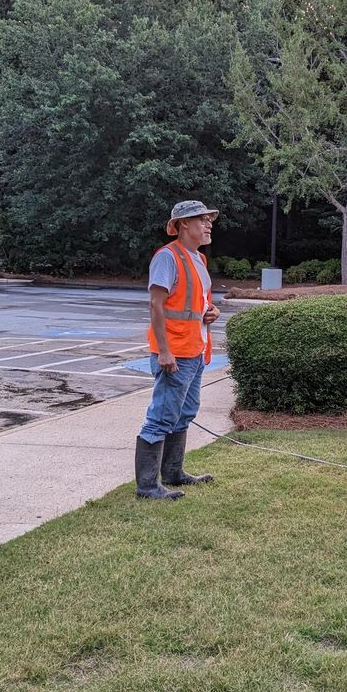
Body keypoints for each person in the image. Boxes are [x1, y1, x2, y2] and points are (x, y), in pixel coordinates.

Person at [133, 200, 221, 500]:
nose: (209, 224)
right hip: (174, 353)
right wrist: (164, 351)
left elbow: (193, 304)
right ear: (183, 224)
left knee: (184, 413)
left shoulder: (198, 259)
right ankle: (147, 487)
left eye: (210, 220)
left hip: (195, 351)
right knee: (161, 417)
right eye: (202, 219)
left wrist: (211, 312)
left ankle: (173, 473)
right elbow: (156, 305)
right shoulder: (167, 257)